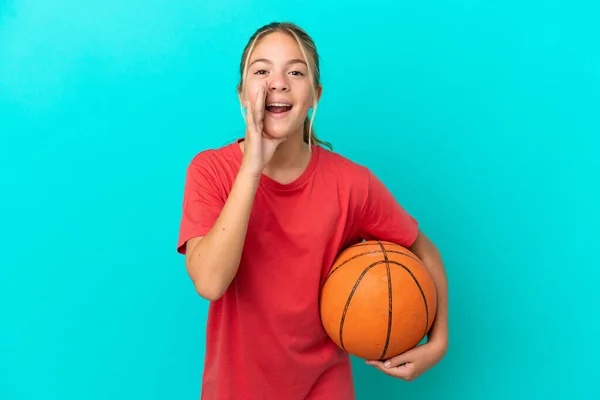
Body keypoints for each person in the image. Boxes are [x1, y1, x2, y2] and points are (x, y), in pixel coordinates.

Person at [177, 21, 449, 400]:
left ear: (314, 96)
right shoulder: (210, 171)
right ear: (242, 94)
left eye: (295, 71)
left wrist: (438, 343)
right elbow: (210, 281)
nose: (279, 82)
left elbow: (424, 250)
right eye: (261, 70)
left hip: (325, 386)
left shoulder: (352, 184)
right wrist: (253, 165)